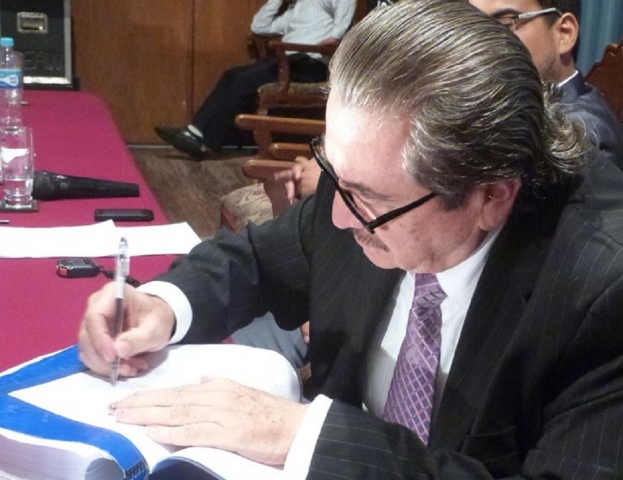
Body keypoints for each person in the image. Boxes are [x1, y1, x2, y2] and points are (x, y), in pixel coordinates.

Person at [78, 0, 623, 477]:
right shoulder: (362, 185)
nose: (337, 216)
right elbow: (256, 260)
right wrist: (164, 305)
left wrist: (306, 437)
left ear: (492, 196)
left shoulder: (601, 291)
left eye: (369, 199)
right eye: (331, 171)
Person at [155, 0, 356, 160]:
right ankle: (196, 132)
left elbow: (344, 14)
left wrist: (334, 37)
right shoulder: (297, 8)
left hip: (310, 64)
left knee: (243, 81)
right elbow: (259, 26)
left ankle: (204, 141)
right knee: (232, 75)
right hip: (286, 60)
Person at [469, 0, 623, 170]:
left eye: (504, 25)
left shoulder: (580, 137)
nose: (480, 45)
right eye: (474, 29)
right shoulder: (514, 109)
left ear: (564, 33)